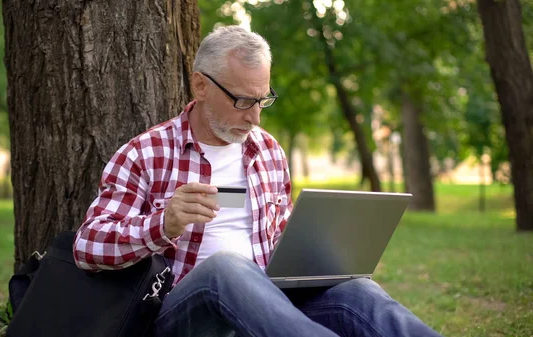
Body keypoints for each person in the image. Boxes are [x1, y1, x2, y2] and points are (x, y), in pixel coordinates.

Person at [73, 25, 442, 337]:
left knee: (358, 291)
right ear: (200, 86)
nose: (255, 119)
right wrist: (162, 224)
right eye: (242, 101)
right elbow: (87, 247)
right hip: (185, 315)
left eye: (262, 101)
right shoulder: (146, 153)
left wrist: (326, 254)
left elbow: (281, 235)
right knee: (227, 267)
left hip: (268, 303)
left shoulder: (267, 151)